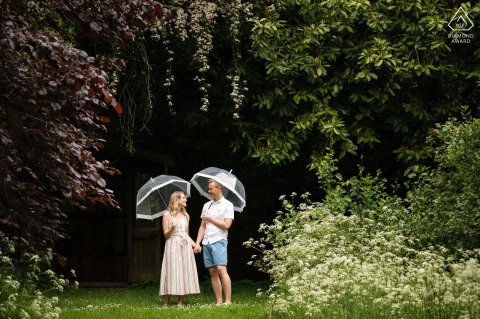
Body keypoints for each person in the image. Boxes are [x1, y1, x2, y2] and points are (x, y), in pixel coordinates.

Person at [194, 179, 234, 305]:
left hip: (219, 240)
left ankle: (228, 301)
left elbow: (227, 225)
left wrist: (211, 218)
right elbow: (202, 226)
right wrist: (197, 243)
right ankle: (219, 301)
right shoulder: (207, 205)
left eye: (211, 188)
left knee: (221, 269)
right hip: (207, 241)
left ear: (219, 188)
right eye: (209, 188)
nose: (209, 191)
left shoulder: (228, 205)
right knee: (212, 272)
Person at [159, 191, 200, 307]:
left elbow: (186, 234)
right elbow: (166, 235)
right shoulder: (166, 215)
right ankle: (166, 302)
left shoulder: (186, 216)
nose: (186, 200)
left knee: (183, 271)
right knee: (172, 270)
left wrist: (195, 245)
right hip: (172, 245)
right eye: (183, 198)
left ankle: (180, 302)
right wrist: (172, 227)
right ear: (176, 200)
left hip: (185, 246)